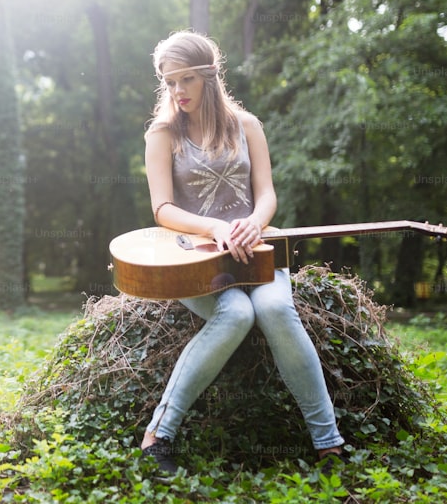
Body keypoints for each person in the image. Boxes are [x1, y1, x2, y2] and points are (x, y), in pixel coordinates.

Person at [139, 30, 344, 475]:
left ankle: (328, 444)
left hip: (257, 250)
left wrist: (253, 222)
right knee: (234, 313)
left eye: (187, 79)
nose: (177, 91)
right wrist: (217, 227)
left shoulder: (247, 126)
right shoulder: (162, 133)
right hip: (196, 260)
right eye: (169, 81)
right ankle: (157, 436)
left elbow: (267, 195)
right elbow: (162, 209)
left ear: (210, 77)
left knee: (274, 308)